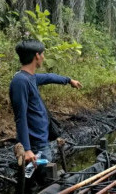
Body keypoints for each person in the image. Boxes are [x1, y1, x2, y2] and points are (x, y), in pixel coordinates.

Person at [9, 40, 82, 168]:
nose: (44, 57)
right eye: (43, 54)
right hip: (35, 145)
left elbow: (49, 77)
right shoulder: (20, 81)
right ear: (37, 56)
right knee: (41, 181)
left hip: (42, 140)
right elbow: (20, 117)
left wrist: (69, 80)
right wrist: (26, 149)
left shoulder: (30, 77)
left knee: (41, 178)